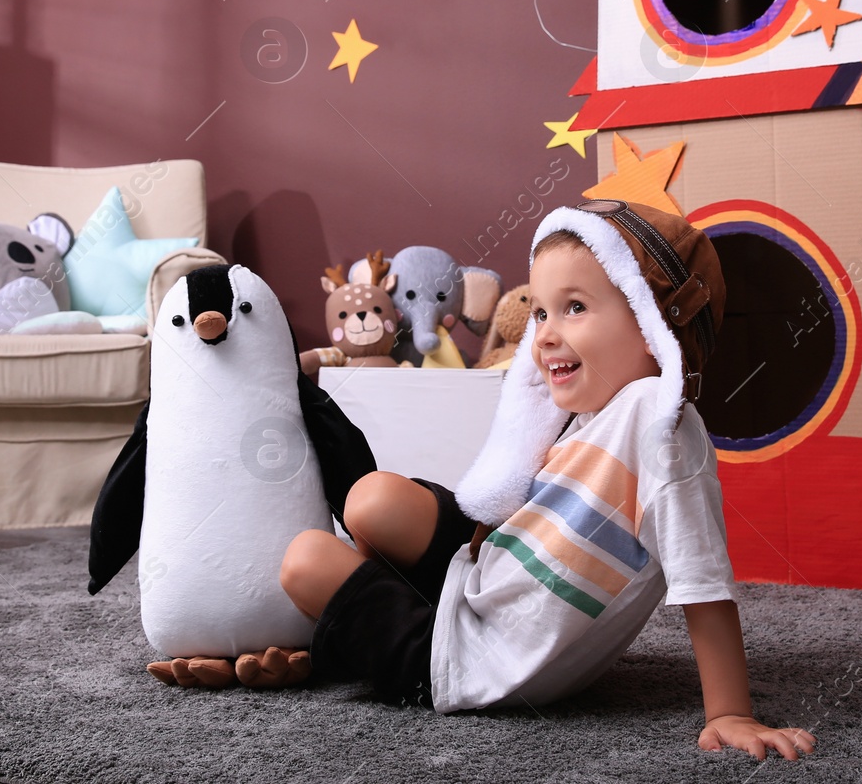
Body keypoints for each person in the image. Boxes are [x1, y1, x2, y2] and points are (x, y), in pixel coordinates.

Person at [258, 200, 813, 757]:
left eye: (574, 307)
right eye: (542, 312)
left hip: (474, 657)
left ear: (652, 325)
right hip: (482, 577)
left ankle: (334, 631)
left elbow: (702, 575)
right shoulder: (592, 414)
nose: (542, 335)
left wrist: (731, 712)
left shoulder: (658, 420)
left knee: (306, 558)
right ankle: (343, 623)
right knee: (369, 500)